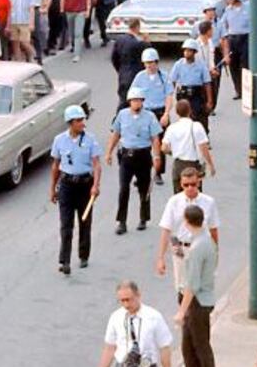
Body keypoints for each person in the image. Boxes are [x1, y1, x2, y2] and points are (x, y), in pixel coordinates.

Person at [49, 105, 101, 275]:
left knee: (85, 222)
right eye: (79, 121)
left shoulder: (90, 140)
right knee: (66, 224)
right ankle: (64, 260)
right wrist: (53, 189)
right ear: (70, 123)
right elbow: (56, 165)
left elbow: (96, 164)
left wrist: (95, 185)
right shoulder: (59, 140)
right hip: (66, 185)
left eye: (83, 120)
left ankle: (84, 255)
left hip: (85, 184)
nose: (82, 124)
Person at [174, 206, 218, 367]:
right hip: (201, 298)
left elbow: (193, 284)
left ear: (186, 221)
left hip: (198, 301)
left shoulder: (198, 246)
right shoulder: (203, 241)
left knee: (200, 344)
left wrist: (181, 312)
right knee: (188, 344)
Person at [105, 88, 162, 236]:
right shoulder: (122, 115)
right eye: (133, 100)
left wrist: (157, 157)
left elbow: (155, 138)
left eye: (139, 100)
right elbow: (116, 133)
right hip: (126, 156)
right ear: (129, 102)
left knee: (144, 188)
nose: (136, 103)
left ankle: (143, 217)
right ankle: (122, 221)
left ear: (142, 101)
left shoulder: (149, 116)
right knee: (124, 188)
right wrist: (109, 152)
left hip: (143, 155)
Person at [160, 98, 214, 193]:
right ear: (190, 110)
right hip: (192, 164)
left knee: (178, 198)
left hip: (178, 165)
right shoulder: (196, 126)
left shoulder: (172, 128)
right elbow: (204, 148)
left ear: (177, 112)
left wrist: (173, 152)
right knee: (194, 195)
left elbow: (164, 148)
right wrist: (211, 165)